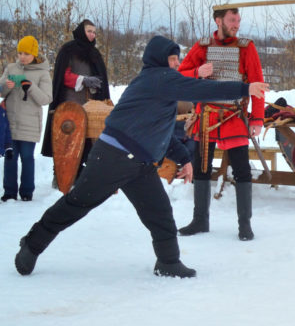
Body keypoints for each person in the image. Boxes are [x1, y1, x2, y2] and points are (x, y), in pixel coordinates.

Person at [14, 36, 269, 278]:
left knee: (160, 212)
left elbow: (162, 132)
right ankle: (32, 244)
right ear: (159, 59)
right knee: (77, 204)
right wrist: (245, 87)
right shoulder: (158, 78)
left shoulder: (160, 86)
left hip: (140, 163)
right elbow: (201, 87)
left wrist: (185, 158)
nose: (176, 64)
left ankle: (168, 262)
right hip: (113, 157)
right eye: (172, 59)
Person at [176, 7, 265, 241]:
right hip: (206, 116)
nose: (236, 24)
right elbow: (180, 75)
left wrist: (257, 117)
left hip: (233, 116)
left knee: (242, 170)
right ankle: (200, 221)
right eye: (232, 20)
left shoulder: (247, 47)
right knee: (202, 169)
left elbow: (257, 82)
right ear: (219, 21)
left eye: (238, 20)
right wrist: (198, 71)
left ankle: (245, 224)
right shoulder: (203, 46)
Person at [41, 19, 111, 183]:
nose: (92, 34)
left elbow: (101, 79)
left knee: (86, 141)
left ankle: (80, 174)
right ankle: (61, 175)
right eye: (89, 31)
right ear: (81, 31)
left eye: (94, 32)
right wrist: (83, 80)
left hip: (89, 105)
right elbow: (62, 76)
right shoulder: (68, 50)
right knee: (67, 140)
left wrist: (97, 86)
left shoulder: (95, 53)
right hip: (69, 103)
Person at [0, 36, 53, 201]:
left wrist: (31, 87)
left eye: (26, 54)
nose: (22, 57)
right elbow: (1, 92)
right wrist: (6, 87)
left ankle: (27, 192)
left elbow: (46, 99)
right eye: (20, 53)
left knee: (27, 157)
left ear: (34, 54)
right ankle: (9, 192)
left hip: (29, 123)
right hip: (9, 122)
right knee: (10, 158)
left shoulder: (43, 73)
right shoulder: (11, 68)